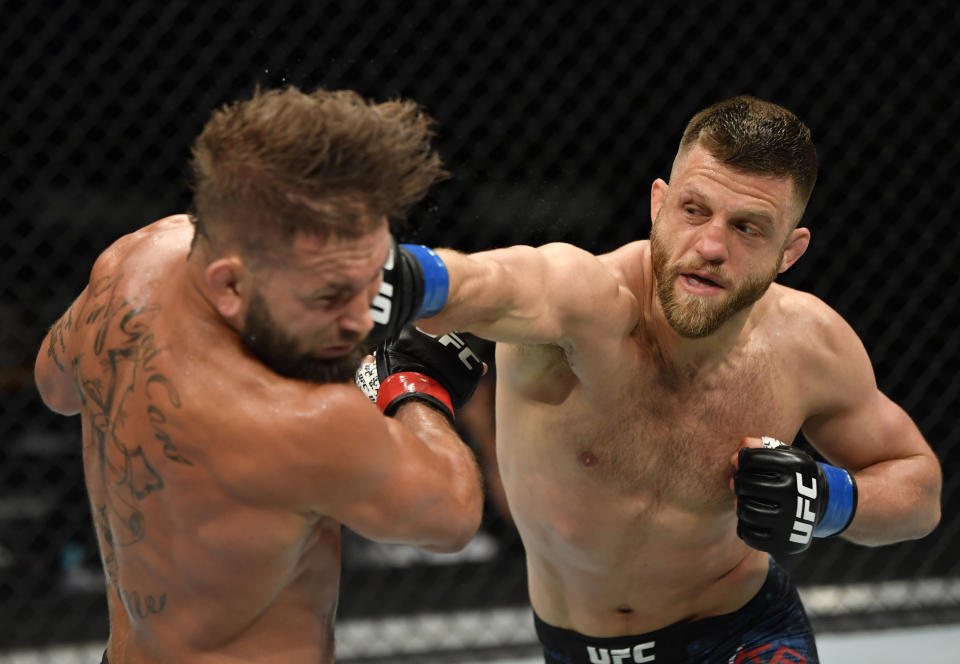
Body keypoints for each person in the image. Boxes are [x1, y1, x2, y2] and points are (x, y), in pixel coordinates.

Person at [405, 95, 942, 663]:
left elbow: (919, 491)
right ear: (658, 203)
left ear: (790, 251)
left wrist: (834, 500)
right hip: (577, 646)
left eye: (748, 228)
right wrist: (404, 276)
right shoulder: (582, 304)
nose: (711, 247)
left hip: (745, 632)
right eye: (694, 210)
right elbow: (493, 281)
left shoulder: (809, 344)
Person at [33, 85, 487, 663]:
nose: (365, 319)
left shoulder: (133, 264)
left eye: (374, 278)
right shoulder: (304, 419)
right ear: (231, 285)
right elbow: (451, 515)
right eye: (329, 296)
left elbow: (57, 388)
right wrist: (413, 384)